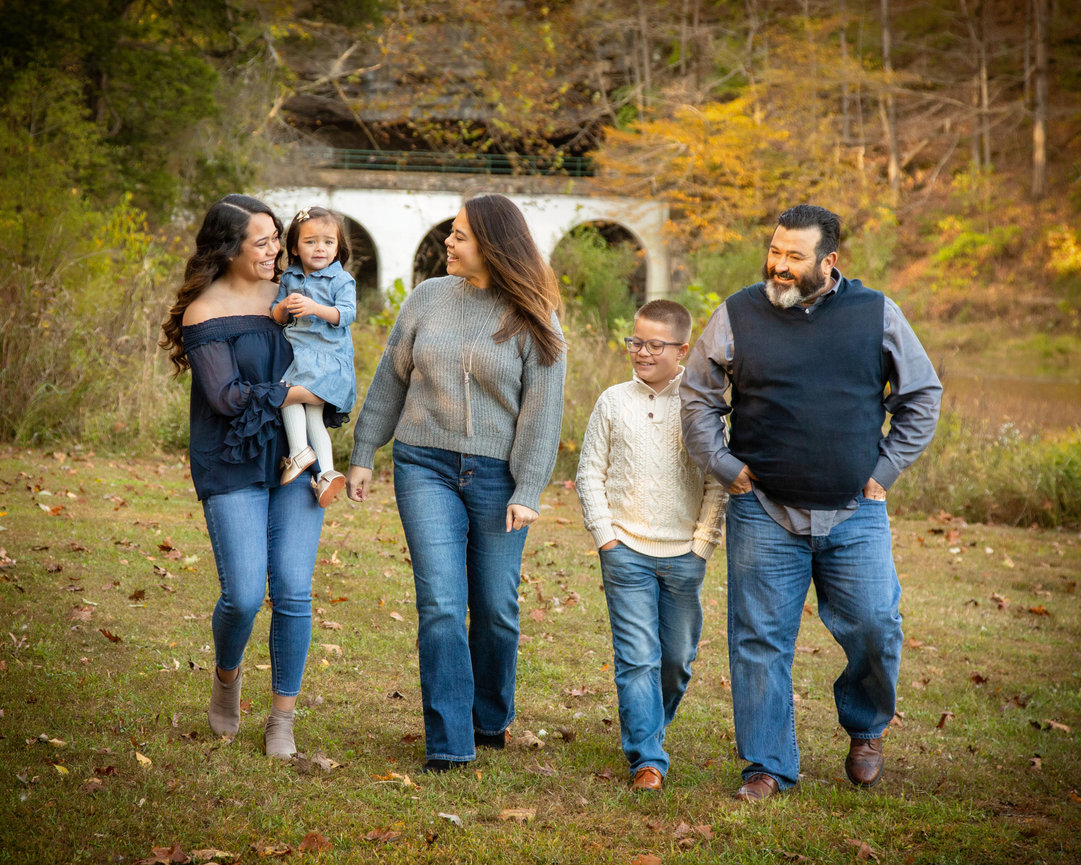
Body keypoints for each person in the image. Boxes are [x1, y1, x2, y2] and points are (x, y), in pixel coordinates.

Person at [680, 204, 942, 801]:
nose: (778, 266)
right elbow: (697, 397)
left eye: (794, 257)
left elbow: (921, 395)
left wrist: (886, 469)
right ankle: (767, 766)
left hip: (856, 510)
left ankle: (866, 726)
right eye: (775, 251)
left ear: (829, 261)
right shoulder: (738, 313)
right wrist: (724, 465)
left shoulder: (876, 313)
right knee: (758, 640)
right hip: (764, 509)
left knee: (876, 625)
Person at [345, 193, 566, 773]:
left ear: (493, 245)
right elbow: (391, 378)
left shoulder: (536, 318)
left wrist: (527, 490)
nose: (448, 240)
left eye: (461, 234)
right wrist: (366, 449)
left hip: (499, 478)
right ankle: (449, 742)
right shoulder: (426, 299)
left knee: (495, 607)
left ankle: (489, 718)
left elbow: (542, 416)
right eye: (451, 231)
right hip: (424, 466)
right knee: (441, 603)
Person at [160, 194, 328, 759]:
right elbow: (228, 399)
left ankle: (282, 718)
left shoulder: (292, 294)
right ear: (229, 249)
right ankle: (227, 677)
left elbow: (331, 351)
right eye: (262, 241)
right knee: (244, 594)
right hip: (230, 458)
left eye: (276, 238)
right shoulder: (203, 312)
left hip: (295, 457)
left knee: (295, 589)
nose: (276, 249)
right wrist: (294, 393)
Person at [575, 299, 726, 792]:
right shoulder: (612, 401)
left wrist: (702, 544)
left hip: (684, 553)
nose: (641, 352)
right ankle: (647, 759)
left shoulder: (701, 404)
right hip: (626, 551)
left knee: (677, 659)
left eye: (653, 345)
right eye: (635, 341)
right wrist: (606, 537)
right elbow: (589, 472)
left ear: (682, 349)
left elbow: (717, 481)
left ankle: (651, 726)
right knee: (638, 657)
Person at [272, 205, 357, 507]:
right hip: (302, 357)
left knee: (284, 393)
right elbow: (278, 314)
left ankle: (298, 452)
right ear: (294, 247)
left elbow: (347, 314)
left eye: (328, 242)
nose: (320, 248)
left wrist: (314, 308)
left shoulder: (340, 280)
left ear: (338, 247)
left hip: (327, 360)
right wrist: (283, 308)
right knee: (313, 416)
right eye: (310, 242)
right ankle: (327, 473)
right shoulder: (290, 278)